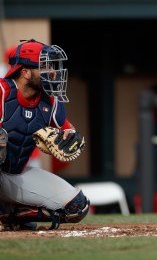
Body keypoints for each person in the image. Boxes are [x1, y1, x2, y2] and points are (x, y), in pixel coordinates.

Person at [0, 39, 90, 230]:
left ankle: (11, 216)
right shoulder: (2, 92)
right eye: (44, 66)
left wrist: (70, 136)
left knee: (77, 206)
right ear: (24, 72)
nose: (52, 72)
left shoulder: (50, 101)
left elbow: (67, 128)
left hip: (14, 174)